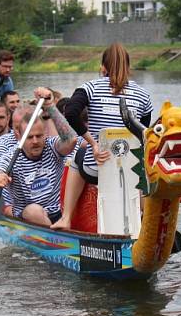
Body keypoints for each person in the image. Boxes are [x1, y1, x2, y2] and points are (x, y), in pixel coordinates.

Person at [51, 43, 153, 231]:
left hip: (97, 168)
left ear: (103, 67)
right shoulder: (143, 95)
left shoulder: (89, 87)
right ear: (128, 67)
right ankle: (145, 219)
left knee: (76, 158)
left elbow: (71, 113)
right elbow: (144, 132)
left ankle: (65, 218)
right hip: (131, 170)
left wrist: (93, 144)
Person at [0, 88, 77, 227]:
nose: (35, 141)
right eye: (29, 137)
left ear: (45, 134)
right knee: (33, 211)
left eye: (39, 136)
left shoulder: (52, 147)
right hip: (28, 217)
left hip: (58, 213)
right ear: (19, 137)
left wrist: (50, 107)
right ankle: (55, 238)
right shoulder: (10, 157)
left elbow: (71, 140)